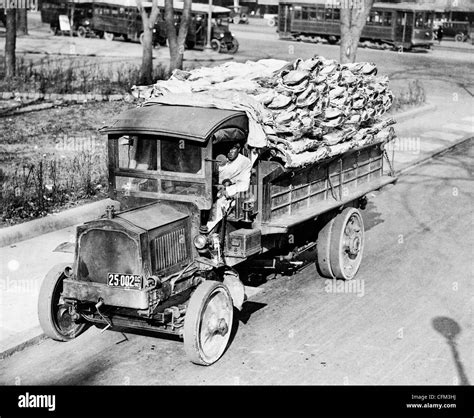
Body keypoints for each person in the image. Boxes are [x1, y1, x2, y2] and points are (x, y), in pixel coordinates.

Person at [207, 142, 252, 231]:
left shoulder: (244, 162)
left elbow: (244, 185)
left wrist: (227, 190)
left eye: (233, 149)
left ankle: (208, 232)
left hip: (231, 195)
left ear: (239, 150)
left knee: (218, 207)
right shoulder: (220, 158)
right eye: (228, 149)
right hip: (211, 190)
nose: (230, 152)